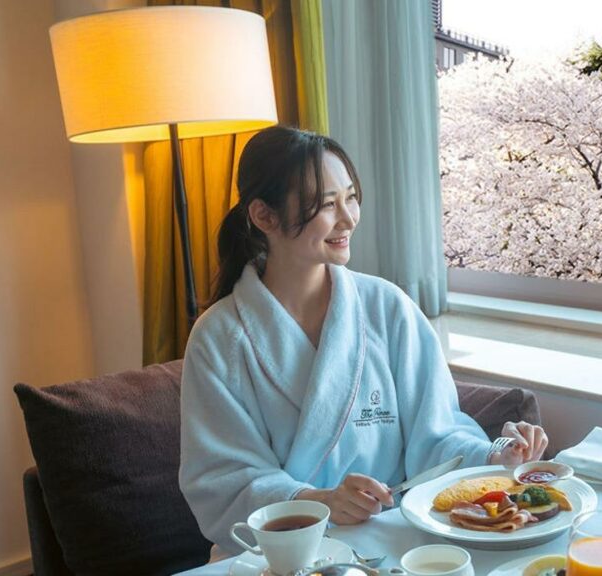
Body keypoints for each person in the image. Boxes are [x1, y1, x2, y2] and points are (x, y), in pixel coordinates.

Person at [179, 126, 548, 553]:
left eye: (351, 197)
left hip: (391, 541)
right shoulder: (219, 338)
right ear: (265, 216)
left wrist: (497, 457)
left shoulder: (388, 309)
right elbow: (223, 479)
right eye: (326, 204)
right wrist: (318, 503)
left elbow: (437, 437)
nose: (349, 218)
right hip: (279, 553)